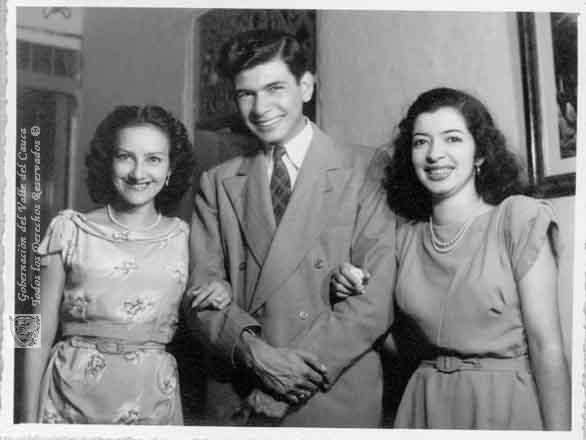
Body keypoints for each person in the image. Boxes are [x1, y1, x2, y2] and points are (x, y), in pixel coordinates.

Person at [184, 29, 396, 427]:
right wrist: (253, 353)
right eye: (246, 94)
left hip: (328, 391)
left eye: (274, 88)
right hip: (240, 394)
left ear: (306, 86)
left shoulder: (364, 168)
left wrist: (284, 381)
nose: (260, 107)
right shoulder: (217, 181)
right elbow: (200, 297)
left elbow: (375, 299)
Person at [331, 87, 571, 430]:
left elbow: (546, 347)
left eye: (452, 139)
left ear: (480, 153)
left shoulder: (519, 220)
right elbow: (399, 343)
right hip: (424, 404)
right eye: (421, 142)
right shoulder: (404, 237)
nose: (434, 154)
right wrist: (352, 291)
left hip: (505, 405)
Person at [22, 105, 230, 424]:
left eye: (153, 159)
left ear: (171, 169)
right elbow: (32, 327)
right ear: (109, 162)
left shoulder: (186, 239)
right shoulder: (67, 229)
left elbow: (206, 296)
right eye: (125, 157)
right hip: (66, 400)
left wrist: (222, 288)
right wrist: (24, 421)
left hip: (151, 400)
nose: (138, 173)